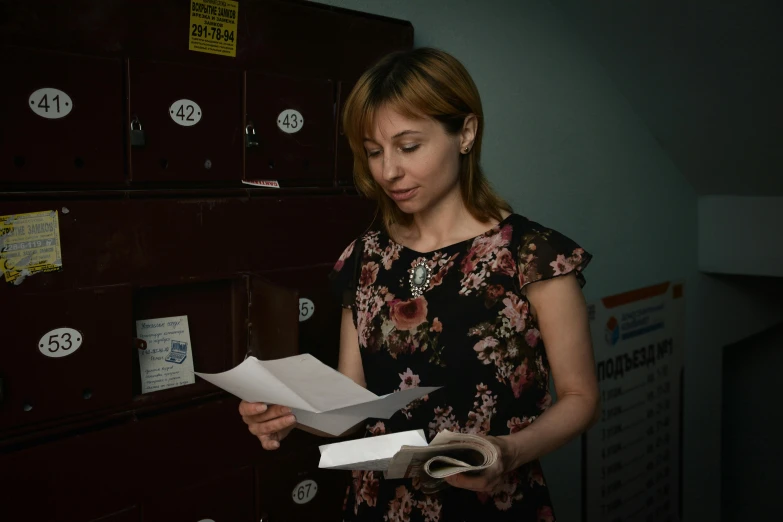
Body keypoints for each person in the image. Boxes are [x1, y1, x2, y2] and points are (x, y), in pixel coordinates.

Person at [239, 47, 599, 522]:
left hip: (493, 505)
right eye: (373, 151)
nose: (388, 171)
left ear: (465, 133)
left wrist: (508, 452)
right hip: (378, 506)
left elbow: (580, 396)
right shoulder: (365, 256)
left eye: (408, 147)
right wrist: (286, 416)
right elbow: (352, 398)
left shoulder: (532, 254)